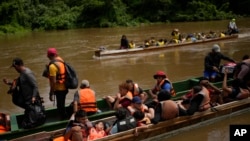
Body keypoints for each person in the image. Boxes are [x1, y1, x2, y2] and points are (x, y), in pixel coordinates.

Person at [3, 58, 45, 128]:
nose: (15, 69)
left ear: (17, 66)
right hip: (26, 99)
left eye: (14, 67)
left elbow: (35, 86)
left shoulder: (27, 73)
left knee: (30, 121)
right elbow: (19, 83)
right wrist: (9, 83)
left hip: (31, 100)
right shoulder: (22, 74)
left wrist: (34, 97)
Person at [46, 48, 69, 120]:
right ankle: (64, 116)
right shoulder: (60, 60)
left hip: (59, 89)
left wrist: (51, 93)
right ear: (56, 54)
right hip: (65, 86)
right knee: (62, 105)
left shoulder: (52, 66)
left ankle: (64, 119)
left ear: (48, 56)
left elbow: (53, 82)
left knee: (60, 106)